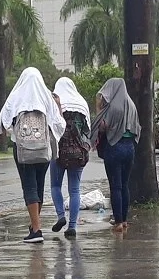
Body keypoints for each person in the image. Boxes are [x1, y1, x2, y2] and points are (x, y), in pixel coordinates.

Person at [0, 67, 65, 244]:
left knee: (29, 186)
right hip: (43, 149)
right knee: (38, 185)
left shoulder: (16, 96)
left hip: (23, 150)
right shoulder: (46, 97)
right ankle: (34, 224)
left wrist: (13, 131)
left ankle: (36, 230)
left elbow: (4, 120)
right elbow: (59, 123)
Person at [93, 78, 140, 231]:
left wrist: (99, 109)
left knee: (115, 186)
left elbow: (102, 127)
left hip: (114, 147)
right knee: (124, 185)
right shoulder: (131, 105)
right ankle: (124, 220)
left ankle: (118, 222)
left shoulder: (113, 107)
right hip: (130, 148)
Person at [49, 76, 91, 239]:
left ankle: (61, 216)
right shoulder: (81, 103)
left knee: (55, 186)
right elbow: (88, 129)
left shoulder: (55, 102)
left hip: (59, 152)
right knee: (74, 190)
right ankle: (72, 226)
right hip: (78, 153)